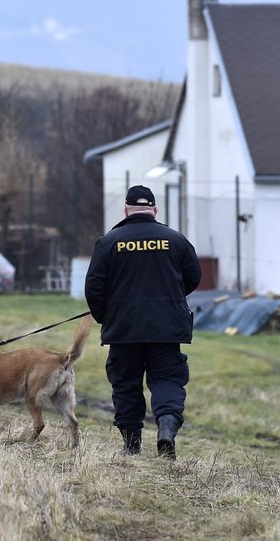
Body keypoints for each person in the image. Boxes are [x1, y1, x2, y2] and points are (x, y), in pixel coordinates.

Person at [85, 184, 202, 459]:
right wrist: (169, 299)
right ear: (155, 210)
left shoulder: (109, 242)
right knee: (167, 380)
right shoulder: (175, 239)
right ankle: (166, 429)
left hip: (124, 330)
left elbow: (94, 288)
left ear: (125, 210)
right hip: (167, 328)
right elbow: (193, 277)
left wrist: (106, 316)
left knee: (126, 383)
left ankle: (131, 444)